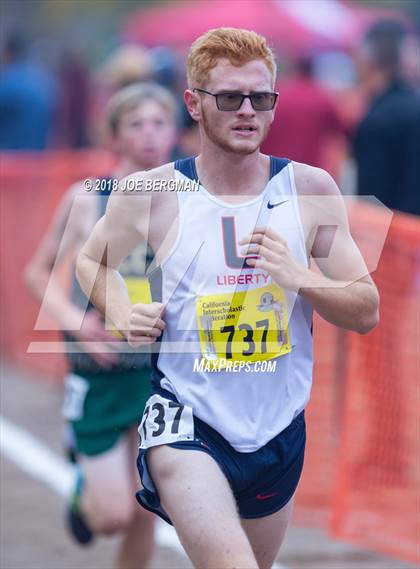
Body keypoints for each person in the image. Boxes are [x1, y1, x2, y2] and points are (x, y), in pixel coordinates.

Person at [76, 28, 379, 569]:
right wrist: (121, 310)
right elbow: (90, 262)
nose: (247, 111)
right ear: (193, 103)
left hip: (277, 427)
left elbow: (366, 308)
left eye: (260, 98)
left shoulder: (308, 190)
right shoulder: (151, 193)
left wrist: (299, 277)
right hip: (185, 420)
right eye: (229, 98)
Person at [25, 82, 178, 568]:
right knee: (111, 515)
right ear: (114, 136)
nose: (150, 135)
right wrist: (76, 323)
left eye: (159, 123)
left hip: (158, 373)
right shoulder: (88, 198)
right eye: (137, 124)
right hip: (99, 369)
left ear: (175, 131)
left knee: (147, 503)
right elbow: (37, 271)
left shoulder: (185, 197)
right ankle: (82, 495)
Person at [353, 19, 420, 216]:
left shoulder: (380, 119)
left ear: (368, 60)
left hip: (395, 238)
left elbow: (372, 202)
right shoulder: (411, 104)